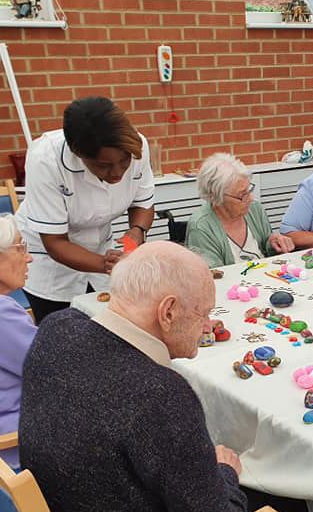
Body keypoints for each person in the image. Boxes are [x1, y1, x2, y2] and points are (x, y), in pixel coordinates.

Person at [19, 241, 313, 512]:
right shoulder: (160, 395)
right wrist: (224, 473)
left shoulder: (58, 328)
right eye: (204, 313)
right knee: (272, 499)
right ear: (167, 311)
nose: (209, 327)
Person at [15, 97, 155, 323]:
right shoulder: (45, 159)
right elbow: (55, 242)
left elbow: (143, 203)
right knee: (62, 340)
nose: (117, 173)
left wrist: (137, 232)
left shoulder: (136, 146)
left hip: (103, 252)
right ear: (78, 153)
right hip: (50, 266)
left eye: (124, 162)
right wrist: (106, 264)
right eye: (104, 165)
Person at [186, 153, 294, 267]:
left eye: (249, 189)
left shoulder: (255, 208)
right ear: (217, 197)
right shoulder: (201, 227)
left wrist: (274, 243)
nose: (250, 198)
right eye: (242, 194)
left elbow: (266, 251)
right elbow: (214, 276)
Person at [0, 215, 35, 471]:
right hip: (15, 453)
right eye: (21, 247)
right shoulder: (2, 315)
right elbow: (52, 367)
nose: (29, 257)